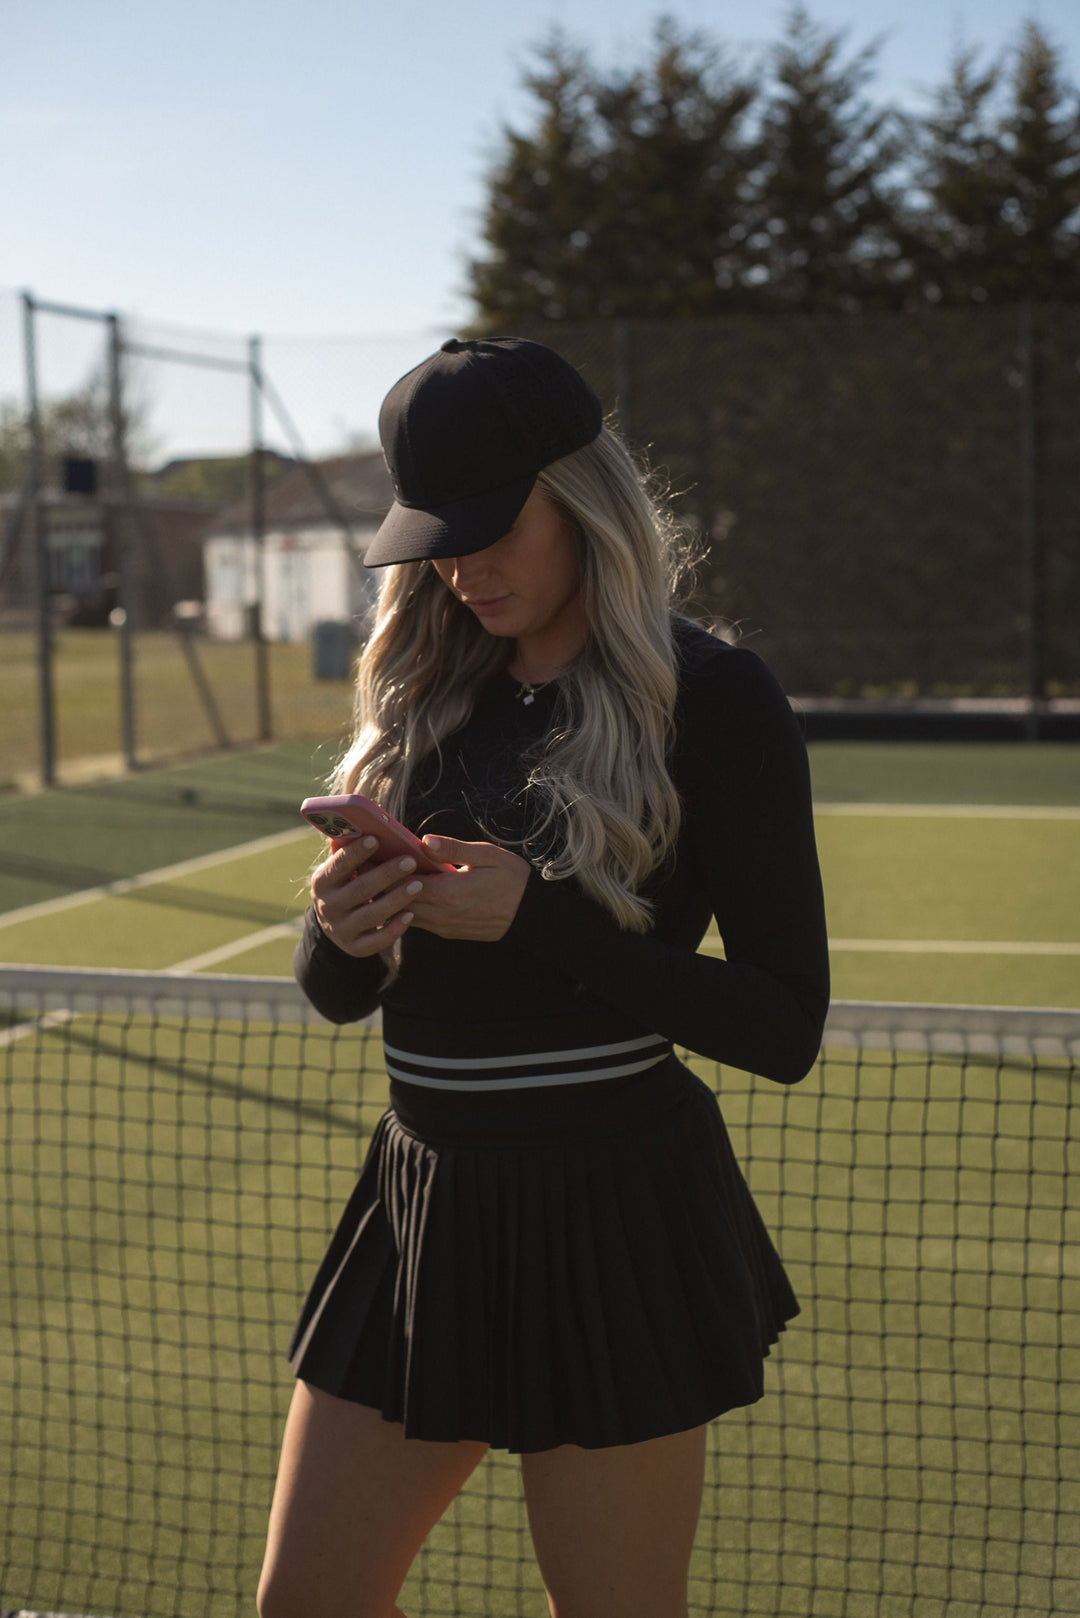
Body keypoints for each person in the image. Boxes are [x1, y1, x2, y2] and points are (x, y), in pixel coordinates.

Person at [257, 336, 829, 1618]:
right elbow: (343, 995)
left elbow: (786, 1025)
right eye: (433, 536)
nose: (458, 567)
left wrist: (541, 920)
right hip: (422, 1204)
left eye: (486, 526)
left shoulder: (716, 697)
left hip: (611, 1210)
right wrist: (341, 935)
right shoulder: (422, 691)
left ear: (581, 495)